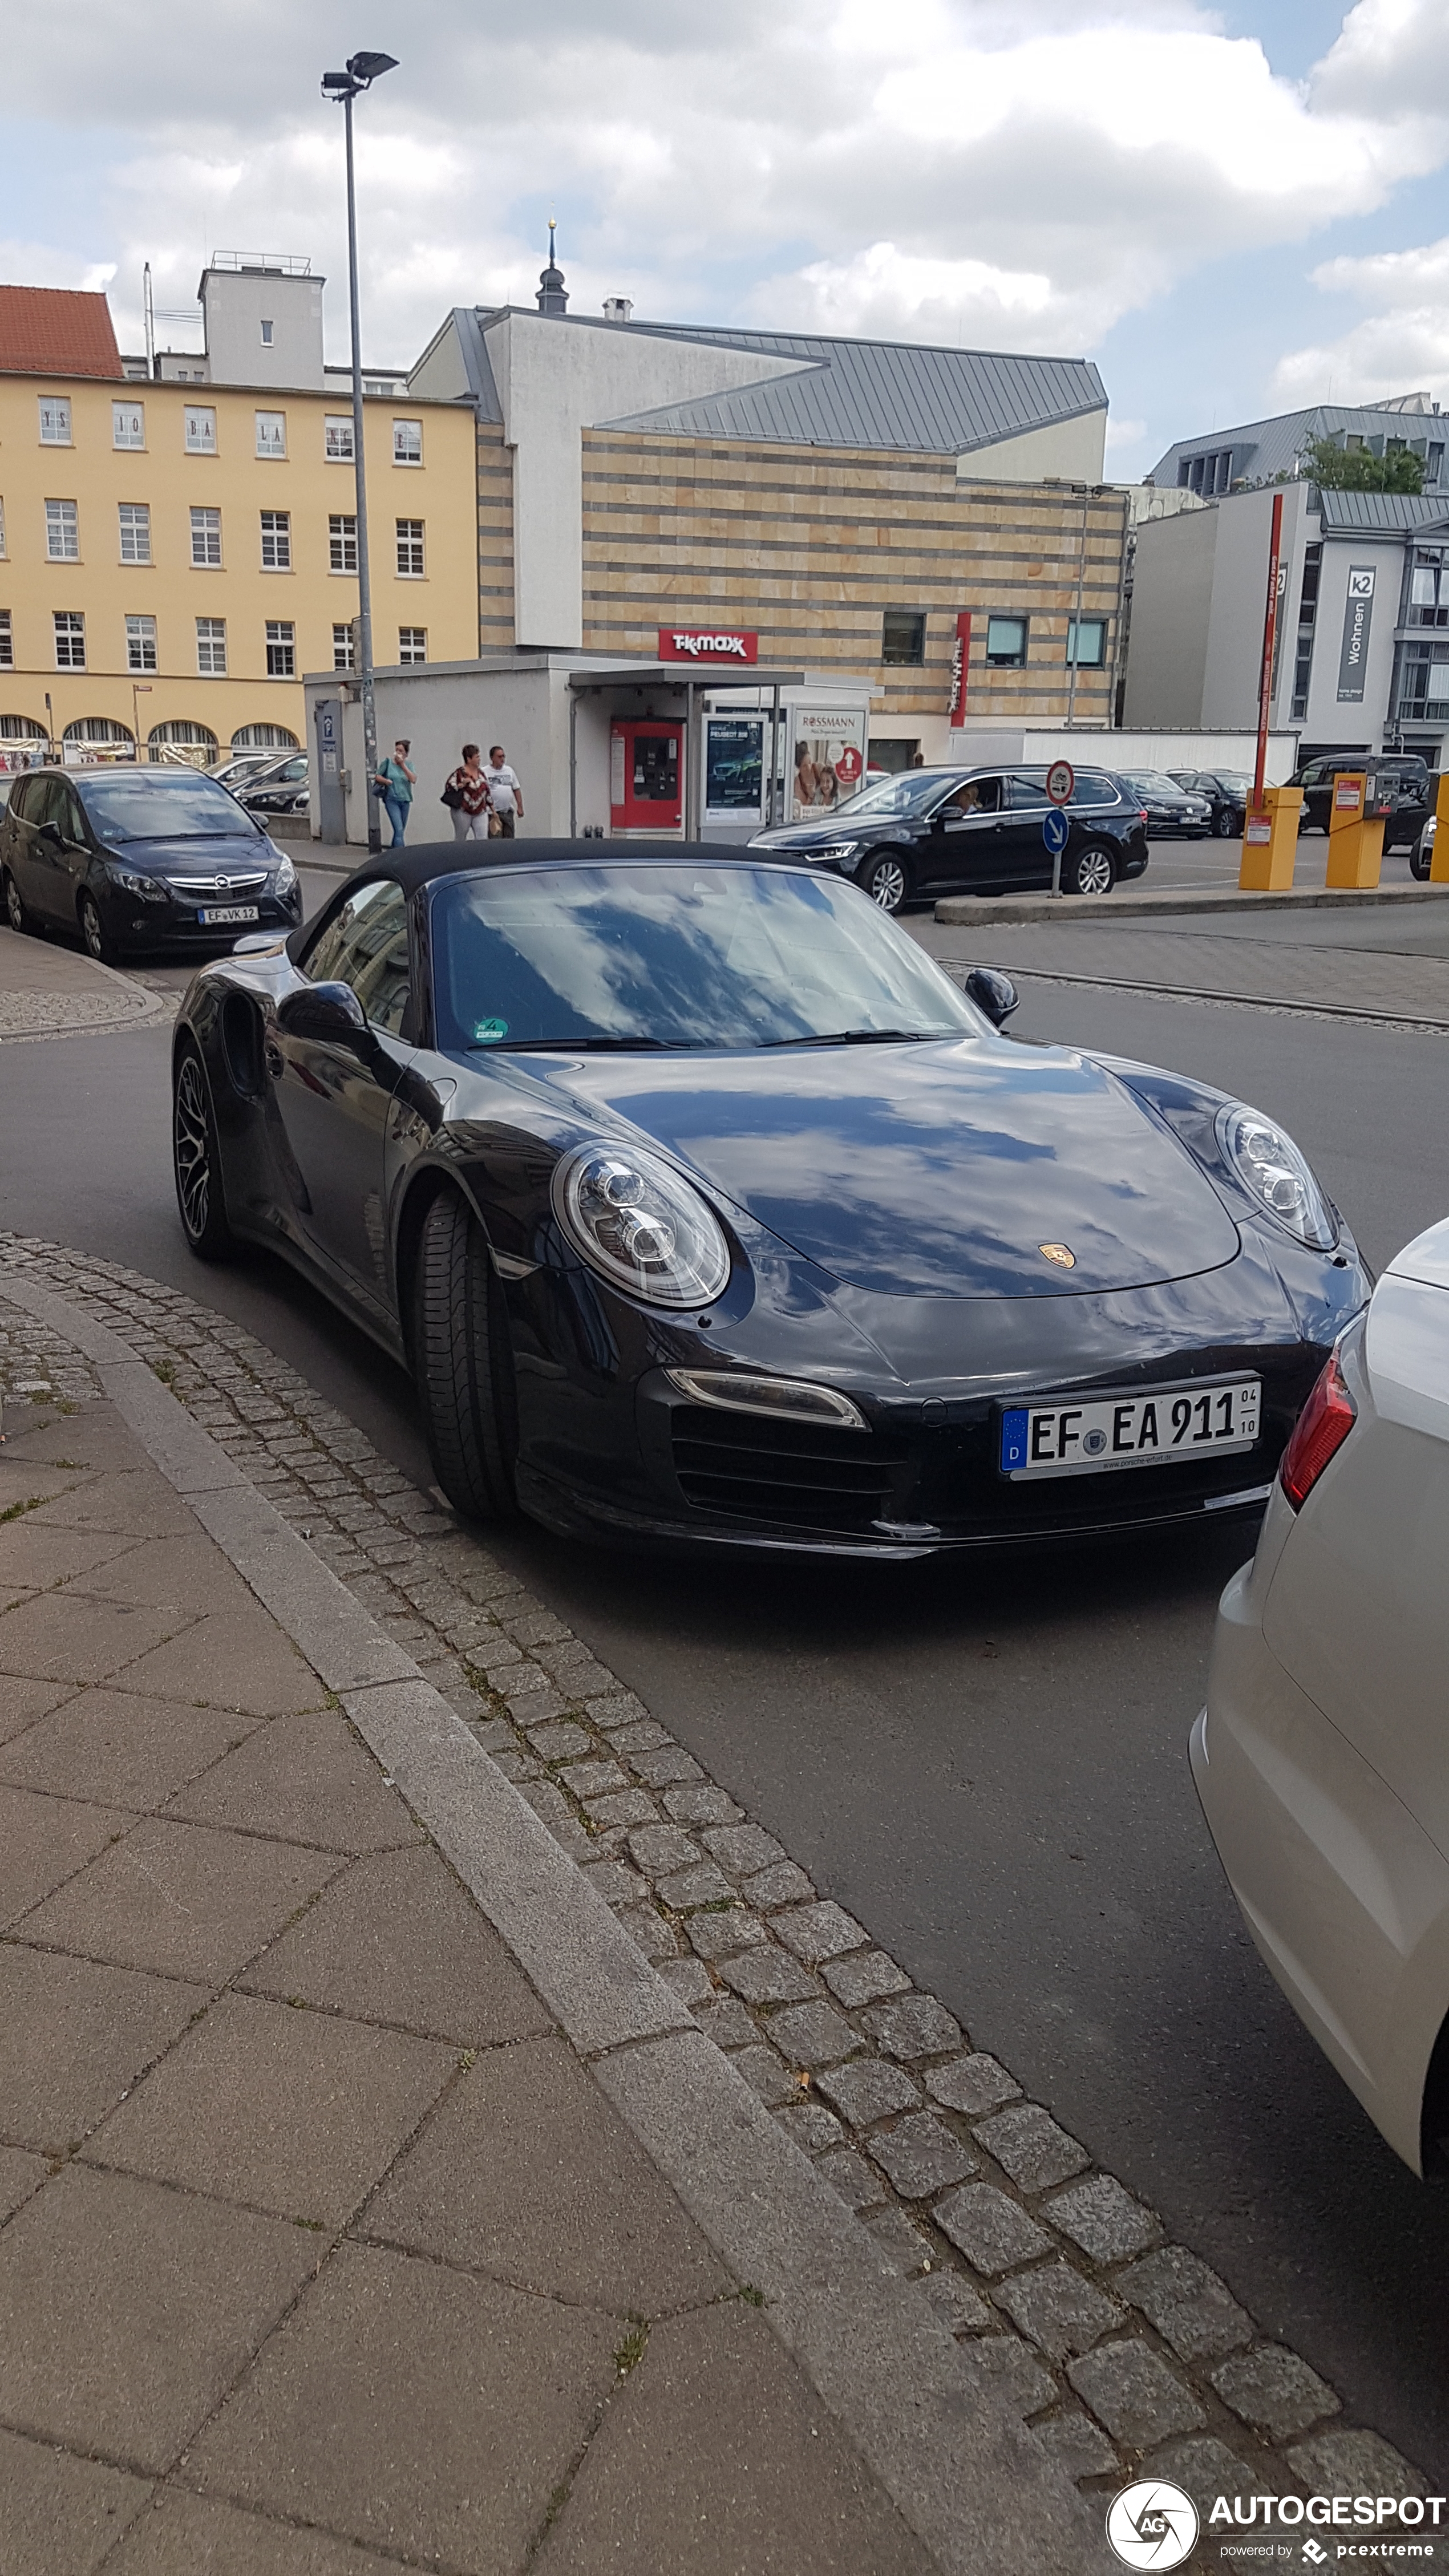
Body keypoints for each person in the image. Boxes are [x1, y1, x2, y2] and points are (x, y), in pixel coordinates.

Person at [444, 743, 492, 842]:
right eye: (477, 757)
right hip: (462, 811)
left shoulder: (481, 774)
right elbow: (449, 787)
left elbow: (487, 792)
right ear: (469, 759)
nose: (479, 759)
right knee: (461, 838)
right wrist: (461, 785)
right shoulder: (459, 774)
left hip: (480, 811)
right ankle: (458, 856)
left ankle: (480, 857)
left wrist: (493, 810)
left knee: (482, 839)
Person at [374, 739, 415, 848]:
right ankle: (401, 855)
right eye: (397, 750)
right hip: (392, 800)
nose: (398, 753)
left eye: (401, 751)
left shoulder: (409, 765)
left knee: (400, 831)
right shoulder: (388, 763)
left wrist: (403, 765)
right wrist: (386, 781)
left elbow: (413, 779)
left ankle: (393, 853)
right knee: (399, 828)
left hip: (405, 800)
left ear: (406, 754)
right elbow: (378, 776)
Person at [484, 744, 524, 837]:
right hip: (493, 814)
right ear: (492, 758)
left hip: (507, 812)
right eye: (499, 757)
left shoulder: (509, 771)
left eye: (503, 756)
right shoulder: (484, 772)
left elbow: (516, 789)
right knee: (496, 841)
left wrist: (520, 807)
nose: (502, 759)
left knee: (509, 839)